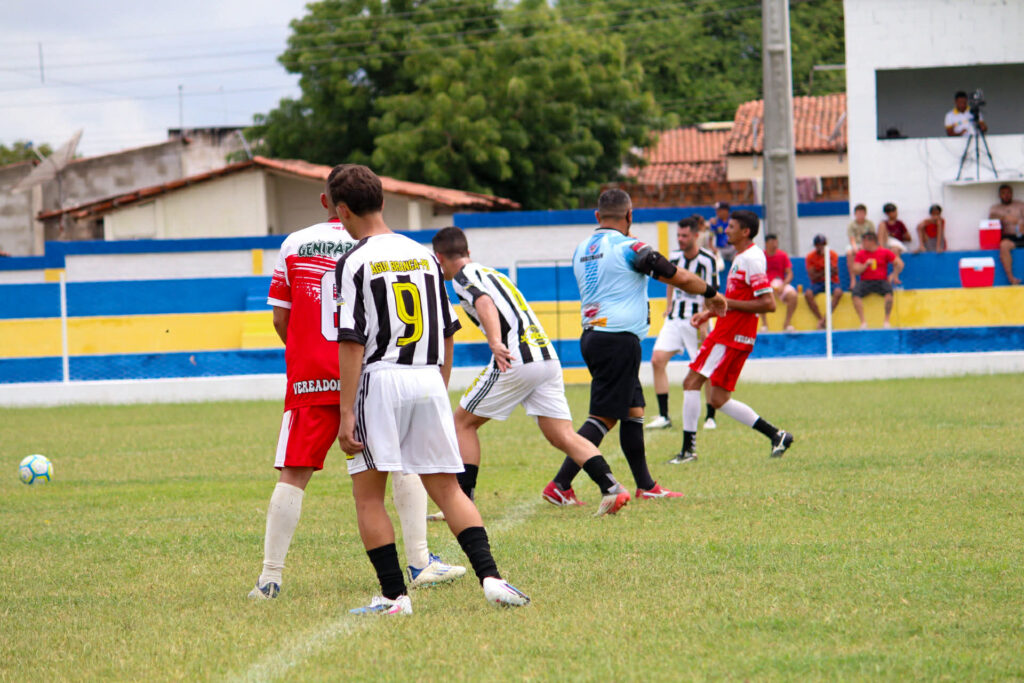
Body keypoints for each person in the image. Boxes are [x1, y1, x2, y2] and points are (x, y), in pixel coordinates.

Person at [248, 182, 465, 601]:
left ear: (327, 201)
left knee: (294, 472)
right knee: (402, 462)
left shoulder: (294, 244)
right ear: (376, 201)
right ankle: (420, 561)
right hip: (371, 373)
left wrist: (306, 353)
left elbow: (280, 318)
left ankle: (269, 578)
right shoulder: (383, 245)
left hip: (313, 375)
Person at [330, 164, 527, 614]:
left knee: (368, 494)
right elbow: (448, 330)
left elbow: (352, 341)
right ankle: (492, 579)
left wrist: (346, 412)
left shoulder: (354, 261)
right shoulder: (423, 256)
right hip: (427, 378)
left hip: (381, 379)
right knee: (449, 489)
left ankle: (394, 596)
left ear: (342, 210)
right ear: (383, 201)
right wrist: (438, 386)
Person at [430, 226, 631, 517]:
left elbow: (484, 302)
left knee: (462, 423)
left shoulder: (463, 277)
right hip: (545, 357)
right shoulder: (494, 274)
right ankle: (611, 487)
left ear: (439, 258)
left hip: (517, 358)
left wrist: (495, 342)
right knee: (561, 434)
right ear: (468, 251)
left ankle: (463, 503)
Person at [543, 189, 727, 503]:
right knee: (604, 417)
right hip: (617, 339)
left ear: (597, 216)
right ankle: (560, 485)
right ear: (630, 216)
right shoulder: (631, 247)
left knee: (633, 412)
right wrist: (711, 293)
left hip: (594, 335)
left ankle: (647, 486)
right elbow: (677, 276)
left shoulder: (582, 248)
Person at [670, 210, 795, 464]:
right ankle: (777, 435)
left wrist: (726, 304)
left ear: (745, 231)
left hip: (730, 336)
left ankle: (688, 452)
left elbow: (768, 303)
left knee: (691, 382)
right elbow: (738, 299)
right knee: (718, 398)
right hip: (733, 334)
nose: (726, 230)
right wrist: (709, 314)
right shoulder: (742, 257)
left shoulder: (751, 259)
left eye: (731, 227)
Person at [646, 217, 719, 431]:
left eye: (684, 236)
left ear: (695, 236)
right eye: (678, 235)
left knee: (705, 368)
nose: (680, 239)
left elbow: (712, 292)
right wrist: (669, 305)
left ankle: (710, 416)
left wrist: (706, 318)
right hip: (675, 319)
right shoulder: (675, 257)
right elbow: (671, 282)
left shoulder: (708, 260)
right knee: (657, 360)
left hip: (696, 321)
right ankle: (664, 416)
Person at [851, 231, 904, 329]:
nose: (862, 244)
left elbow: (899, 264)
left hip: (881, 281)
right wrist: (865, 265)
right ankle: (863, 322)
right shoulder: (860, 254)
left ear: (871, 241)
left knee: (889, 293)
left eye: (864, 241)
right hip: (865, 281)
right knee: (855, 294)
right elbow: (855, 270)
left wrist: (893, 275)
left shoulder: (884, 252)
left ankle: (886, 321)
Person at [803, 234, 843, 329]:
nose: (821, 247)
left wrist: (826, 261)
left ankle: (825, 320)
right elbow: (813, 277)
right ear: (815, 246)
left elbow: (835, 271)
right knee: (808, 294)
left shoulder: (832, 254)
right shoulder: (810, 257)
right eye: (819, 245)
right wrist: (826, 271)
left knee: (838, 292)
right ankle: (821, 319)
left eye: (823, 244)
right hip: (818, 283)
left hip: (832, 281)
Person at [760, 233, 797, 332]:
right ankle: (764, 325)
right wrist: (767, 286)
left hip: (780, 283)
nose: (775, 244)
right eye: (772, 242)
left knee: (793, 295)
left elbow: (789, 273)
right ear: (766, 244)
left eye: (776, 242)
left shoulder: (783, 255)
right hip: (765, 283)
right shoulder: (761, 256)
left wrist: (783, 285)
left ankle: (787, 323)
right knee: (759, 293)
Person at [990, 184, 1024, 285]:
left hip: (1022, 234)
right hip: (1009, 237)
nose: (1006, 195)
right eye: (1003, 193)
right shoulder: (995, 208)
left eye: (1009, 193)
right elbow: (991, 217)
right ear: (999, 195)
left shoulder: (1020, 205)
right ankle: (1011, 278)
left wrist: (1020, 222)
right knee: (1004, 245)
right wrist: (1005, 217)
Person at [846, 204, 874, 285]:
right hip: (855, 244)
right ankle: (853, 279)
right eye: (858, 213)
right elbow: (851, 238)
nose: (860, 215)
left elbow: (872, 237)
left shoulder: (870, 224)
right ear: (855, 214)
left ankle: (871, 278)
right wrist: (855, 247)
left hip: (868, 244)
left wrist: (864, 245)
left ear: (865, 214)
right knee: (849, 253)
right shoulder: (851, 225)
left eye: (862, 213)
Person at [707, 201, 735, 277]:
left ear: (726, 210)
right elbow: (710, 238)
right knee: (720, 268)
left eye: (719, 210)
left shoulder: (733, 220)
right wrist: (713, 249)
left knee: (736, 266)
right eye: (716, 210)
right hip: (720, 249)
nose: (717, 212)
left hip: (733, 248)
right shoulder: (715, 222)